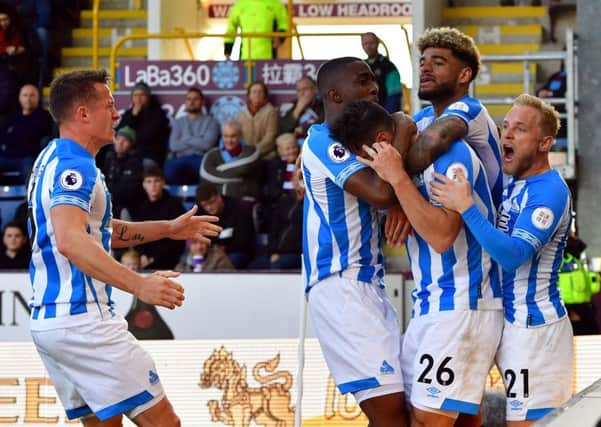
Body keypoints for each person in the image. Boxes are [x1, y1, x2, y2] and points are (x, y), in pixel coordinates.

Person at [27, 69, 222, 426]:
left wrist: (168, 227)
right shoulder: (76, 167)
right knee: (165, 423)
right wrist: (140, 285)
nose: (118, 114)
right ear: (83, 113)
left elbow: (98, 231)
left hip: (50, 321)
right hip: (83, 319)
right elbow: (71, 241)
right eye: (110, 105)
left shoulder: (50, 159)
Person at [349, 100, 503, 426]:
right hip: (429, 306)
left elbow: (443, 235)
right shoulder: (410, 162)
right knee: (453, 419)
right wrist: (397, 196)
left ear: (381, 143)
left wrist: (398, 180)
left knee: (426, 420)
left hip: (463, 303)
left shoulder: (453, 157)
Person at [429, 94, 574, 425]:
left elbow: (512, 256)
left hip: (535, 329)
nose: (506, 135)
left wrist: (466, 206)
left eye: (520, 129)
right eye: (505, 126)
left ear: (545, 142)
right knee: (466, 413)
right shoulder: (510, 183)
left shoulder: (549, 191)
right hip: (502, 322)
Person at [302, 57, 411, 427]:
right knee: (392, 413)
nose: (374, 87)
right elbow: (382, 192)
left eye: (373, 81)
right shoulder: (321, 142)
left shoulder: (360, 139)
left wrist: (400, 196)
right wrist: (398, 195)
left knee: (398, 411)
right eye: (363, 81)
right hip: (340, 285)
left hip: (368, 284)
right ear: (334, 94)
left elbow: (402, 125)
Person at [409, 27, 504, 208]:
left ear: (464, 75)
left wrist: (395, 180)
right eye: (422, 63)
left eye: (437, 63)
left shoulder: (471, 109)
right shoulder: (423, 117)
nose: (425, 69)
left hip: (479, 228)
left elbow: (431, 143)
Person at [131, 166, 187, 270]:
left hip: (169, 260)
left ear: (163, 183)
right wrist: (142, 254)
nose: (153, 185)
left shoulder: (175, 206)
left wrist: (153, 258)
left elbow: (178, 240)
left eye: (156, 181)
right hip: (144, 261)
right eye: (149, 181)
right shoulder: (141, 207)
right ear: (144, 185)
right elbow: (137, 234)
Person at [164, 87, 220, 185]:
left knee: (206, 170)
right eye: (189, 99)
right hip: (180, 159)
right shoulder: (178, 122)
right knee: (169, 169)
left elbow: (207, 145)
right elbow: (174, 146)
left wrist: (186, 139)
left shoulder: (211, 122)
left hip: (201, 159)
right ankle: (179, 198)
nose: (192, 102)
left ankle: (199, 198)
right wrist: (198, 140)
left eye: (195, 99)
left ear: (202, 102)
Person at [0, 83, 55, 183]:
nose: (28, 99)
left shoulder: (45, 117)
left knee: (31, 170)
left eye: (32, 95)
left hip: (29, 157)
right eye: (25, 95)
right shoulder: (10, 117)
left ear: (38, 98)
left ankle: (29, 197)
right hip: (7, 156)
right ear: (20, 98)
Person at [195, 181, 255, 270]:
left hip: (234, 252)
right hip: (209, 252)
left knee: (230, 260)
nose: (209, 208)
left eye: (211, 202)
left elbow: (244, 241)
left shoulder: (238, 209)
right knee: (187, 259)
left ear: (219, 197)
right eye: (205, 205)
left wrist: (224, 248)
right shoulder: (199, 212)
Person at [200, 119, 262, 199]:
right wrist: (240, 179)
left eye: (233, 136)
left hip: (244, 200)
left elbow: (243, 168)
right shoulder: (211, 154)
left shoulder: (251, 151)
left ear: (240, 136)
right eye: (226, 136)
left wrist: (217, 171)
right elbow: (205, 175)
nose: (229, 140)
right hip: (218, 203)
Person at [116, 81, 170, 168]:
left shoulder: (158, 114)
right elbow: (121, 133)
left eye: (142, 95)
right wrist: (134, 116)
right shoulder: (129, 114)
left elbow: (147, 136)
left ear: (148, 97)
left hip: (149, 156)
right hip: (127, 154)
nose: (138, 99)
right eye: (135, 95)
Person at [99, 125, 145, 219]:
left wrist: (106, 197)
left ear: (131, 145)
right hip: (107, 202)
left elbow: (127, 191)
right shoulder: (109, 158)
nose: (120, 143)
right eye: (118, 139)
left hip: (126, 206)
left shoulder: (135, 163)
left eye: (125, 140)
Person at [224, 0, 289, 60]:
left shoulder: (274, 3)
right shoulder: (240, 5)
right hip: (245, 56)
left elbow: (284, 23)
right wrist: (228, 51)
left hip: (268, 56)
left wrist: (280, 38)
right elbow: (231, 29)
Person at [361, 32, 403, 113]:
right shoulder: (361, 66)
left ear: (377, 43)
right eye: (365, 43)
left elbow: (394, 95)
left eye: (371, 43)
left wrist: (387, 116)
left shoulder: (388, 66)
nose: (368, 46)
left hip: (384, 114)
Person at [236, 81, 278, 159]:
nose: (257, 94)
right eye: (254, 92)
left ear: (265, 95)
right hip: (244, 155)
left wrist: (254, 150)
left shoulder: (271, 111)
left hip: (265, 155)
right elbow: (237, 134)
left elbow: (270, 135)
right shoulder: (242, 113)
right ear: (249, 95)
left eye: (260, 92)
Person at [277, 76, 324, 145]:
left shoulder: (324, 105)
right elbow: (282, 131)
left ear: (315, 89)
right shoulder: (294, 105)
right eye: (299, 90)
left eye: (305, 89)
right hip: (295, 149)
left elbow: (326, 125)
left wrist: (303, 129)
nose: (301, 93)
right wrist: (297, 110)